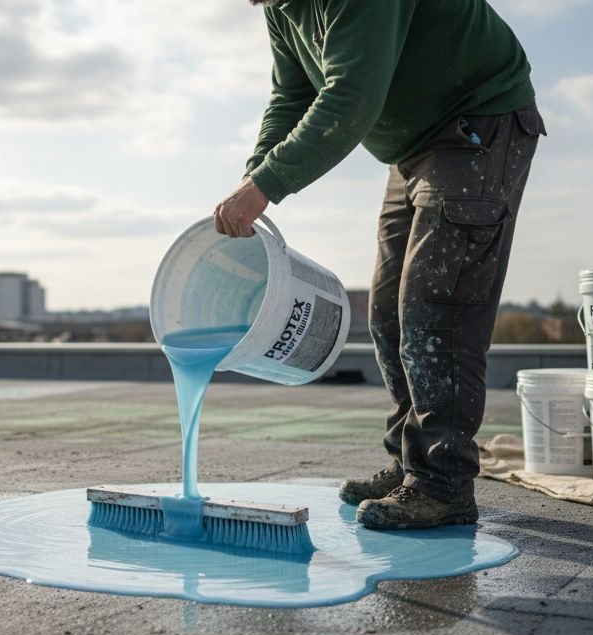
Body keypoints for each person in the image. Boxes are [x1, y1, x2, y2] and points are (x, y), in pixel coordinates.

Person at [214, 0, 545, 529]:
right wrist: (254, 179)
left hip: (475, 122)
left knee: (436, 309)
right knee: (388, 313)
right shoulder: (281, 6)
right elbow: (293, 93)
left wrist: (264, 189)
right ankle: (411, 462)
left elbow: (350, 96)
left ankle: (443, 484)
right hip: (411, 147)